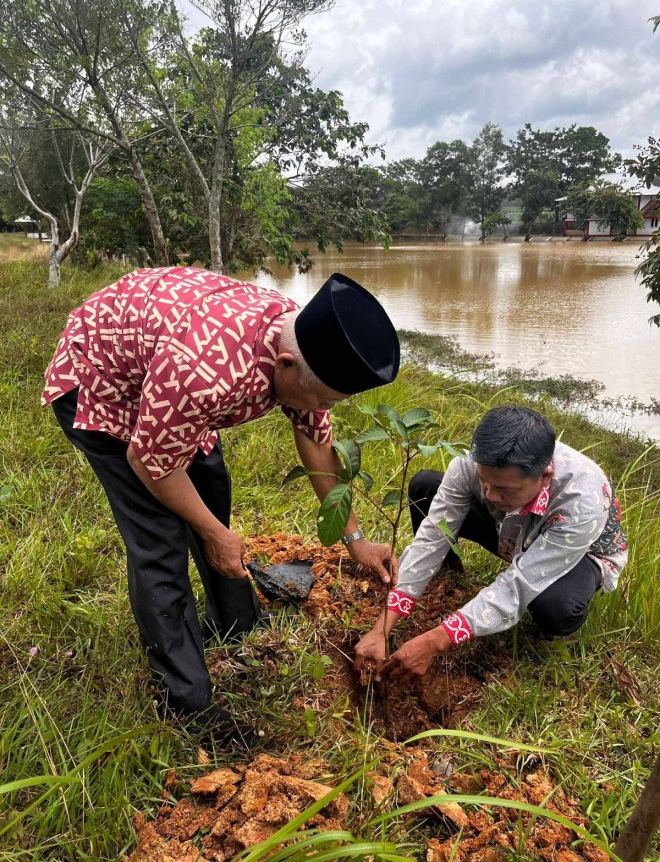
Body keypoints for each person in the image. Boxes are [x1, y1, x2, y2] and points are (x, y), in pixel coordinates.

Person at [44, 266, 400, 747]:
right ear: (285, 365)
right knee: (160, 537)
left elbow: (316, 440)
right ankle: (186, 701)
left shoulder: (299, 339)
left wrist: (355, 539)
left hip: (166, 369)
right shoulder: (206, 374)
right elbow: (149, 460)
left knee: (210, 479)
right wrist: (212, 533)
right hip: (102, 378)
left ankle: (235, 620)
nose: (324, 407)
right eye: (322, 397)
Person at [355, 405, 628, 682]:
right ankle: (450, 570)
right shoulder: (471, 463)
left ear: (544, 476)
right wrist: (382, 628)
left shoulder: (582, 501)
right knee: (425, 486)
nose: (491, 496)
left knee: (555, 605)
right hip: (510, 532)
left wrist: (435, 641)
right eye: (484, 482)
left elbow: (519, 585)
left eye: (505, 490)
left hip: (579, 554)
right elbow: (432, 538)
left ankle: (560, 630)